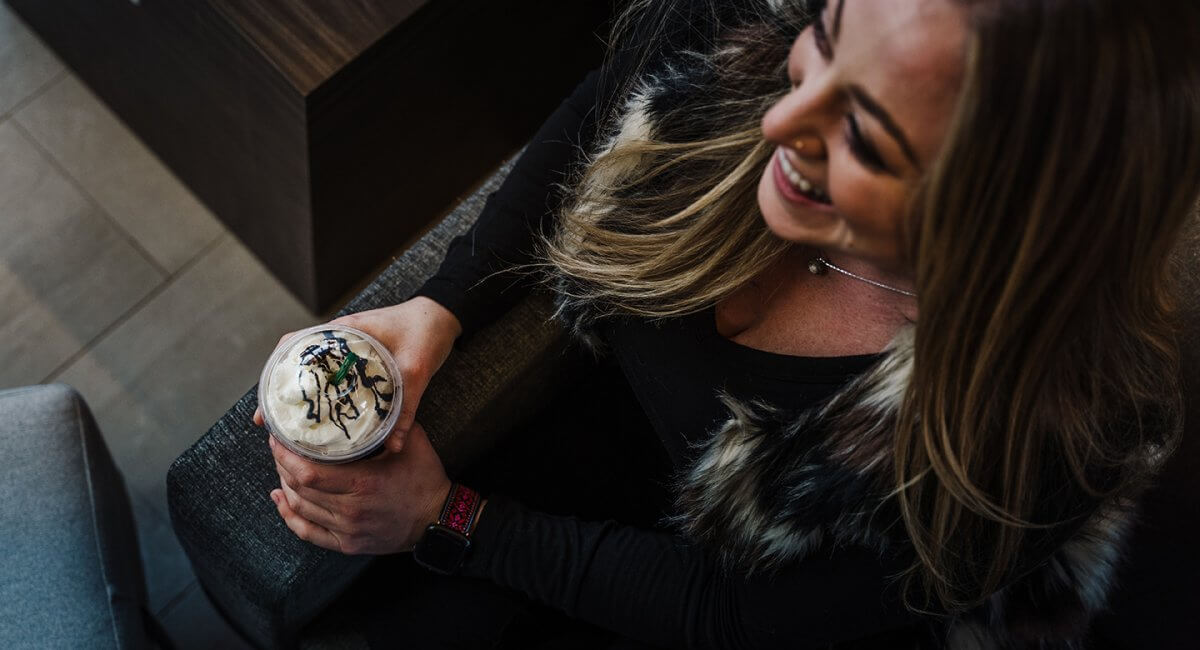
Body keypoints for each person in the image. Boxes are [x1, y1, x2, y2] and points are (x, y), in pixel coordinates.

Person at [254, 0, 1200, 647]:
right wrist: (446, 303)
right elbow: (607, 110)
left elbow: (730, 613)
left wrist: (449, 518)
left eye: (866, 135)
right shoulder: (746, 34)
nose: (782, 118)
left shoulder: (1016, 454)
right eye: (826, 38)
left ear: (1004, 218)